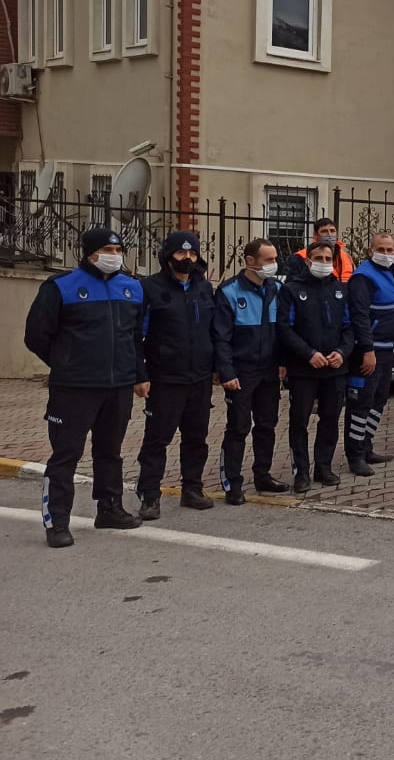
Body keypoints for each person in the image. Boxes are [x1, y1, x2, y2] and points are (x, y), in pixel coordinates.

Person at [24, 228, 147, 547]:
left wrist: (137, 374)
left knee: (110, 452)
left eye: (119, 250)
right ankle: (57, 522)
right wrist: (66, 363)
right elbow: (36, 336)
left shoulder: (132, 288)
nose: (115, 255)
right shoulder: (60, 287)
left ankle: (110, 509)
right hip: (74, 388)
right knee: (65, 455)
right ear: (90, 252)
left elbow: (135, 338)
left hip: (118, 386)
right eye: (108, 249)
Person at [134, 231, 216, 516]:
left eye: (192, 254)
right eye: (181, 254)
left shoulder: (204, 288)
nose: (187, 259)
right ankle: (150, 496)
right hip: (164, 378)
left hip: (200, 378)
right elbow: (137, 336)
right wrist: (140, 374)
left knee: (196, 438)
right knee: (157, 439)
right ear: (168, 257)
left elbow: (212, 330)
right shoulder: (149, 288)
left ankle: (192, 489)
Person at [214, 238, 290, 503]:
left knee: (267, 425)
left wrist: (282, 362)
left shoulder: (277, 289)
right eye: (268, 260)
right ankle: (232, 483)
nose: (274, 264)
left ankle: (263, 475)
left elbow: (283, 331)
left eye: (275, 259)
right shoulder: (229, 291)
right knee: (238, 427)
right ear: (250, 261)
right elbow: (221, 338)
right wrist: (226, 372)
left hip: (269, 370)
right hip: (242, 372)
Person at [278, 240, 354, 492]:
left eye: (328, 259)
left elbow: (348, 327)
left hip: (335, 368)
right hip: (304, 368)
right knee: (299, 420)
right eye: (318, 258)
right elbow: (285, 329)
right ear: (308, 261)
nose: (323, 263)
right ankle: (301, 472)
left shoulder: (340, 289)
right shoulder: (291, 289)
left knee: (330, 418)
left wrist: (342, 352)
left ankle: (324, 466)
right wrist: (308, 353)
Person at [344, 231, 394, 476]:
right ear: (371, 251)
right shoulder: (363, 277)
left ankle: (367, 445)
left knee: (378, 401)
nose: (387, 254)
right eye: (382, 250)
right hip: (367, 351)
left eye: (391, 250)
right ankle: (355, 454)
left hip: (385, 348)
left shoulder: (391, 272)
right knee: (360, 404)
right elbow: (359, 316)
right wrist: (367, 349)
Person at [290, 217, 354, 282]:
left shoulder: (346, 256)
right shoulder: (300, 257)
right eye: (324, 231)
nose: (329, 235)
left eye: (332, 231)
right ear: (315, 235)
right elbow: (292, 285)